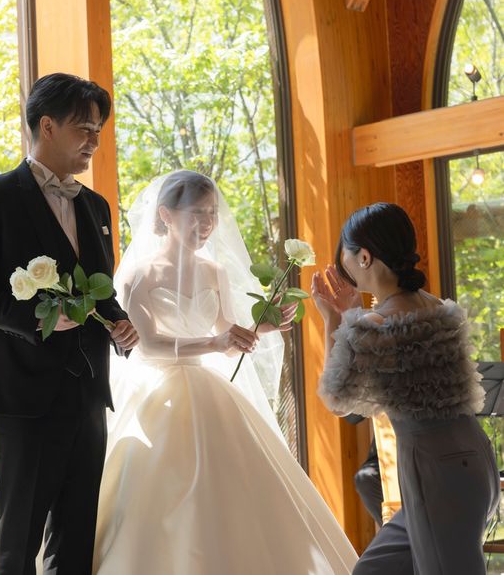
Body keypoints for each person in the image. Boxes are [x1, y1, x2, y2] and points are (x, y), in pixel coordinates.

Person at [93, 170, 358, 574]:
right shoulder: (138, 274)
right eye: (196, 214)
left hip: (207, 389)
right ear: (165, 215)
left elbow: (225, 331)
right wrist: (215, 343)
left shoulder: (213, 270)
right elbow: (147, 345)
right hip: (156, 394)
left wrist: (264, 325)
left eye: (211, 214)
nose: (206, 224)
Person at [0, 73, 139, 575]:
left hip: (89, 395)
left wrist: (120, 324)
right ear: (48, 125)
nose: (93, 141)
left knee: (76, 541)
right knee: (17, 542)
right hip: (22, 397)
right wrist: (40, 321)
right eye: (84, 129)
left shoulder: (96, 206)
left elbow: (100, 291)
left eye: (98, 131)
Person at [311, 202, 500, 575]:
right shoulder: (436, 307)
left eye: (345, 255)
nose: (343, 266)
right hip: (473, 461)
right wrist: (350, 318)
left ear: (364, 257)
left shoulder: (375, 324)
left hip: (436, 473)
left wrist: (333, 319)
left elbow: (337, 400)